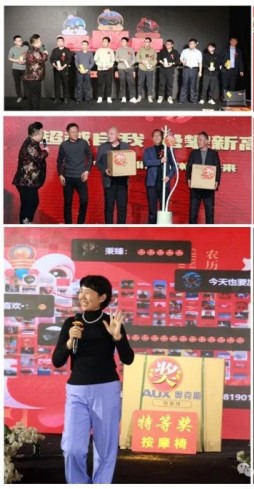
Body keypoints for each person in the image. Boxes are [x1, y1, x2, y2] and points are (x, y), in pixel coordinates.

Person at [52, 275, 134, 484]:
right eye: (81, 291)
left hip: (106, 390)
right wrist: (70, 341)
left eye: (87, 292)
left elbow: (128, 359)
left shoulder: (111, 323)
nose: (82, 296)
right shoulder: (71, 323)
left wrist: (117, 337)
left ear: (102, 297)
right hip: (76, 391)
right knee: (72, 448)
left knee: (105, 450)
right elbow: (57, 361)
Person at [12, 121, 47, 224]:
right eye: (42, 132)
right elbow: (38, 157)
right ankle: (26, 223)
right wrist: (46, 151)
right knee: (31, 203)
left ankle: (25, 223)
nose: (43, 134)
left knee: (28, 204)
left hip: (28, 182)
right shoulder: (30, 144)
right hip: (26, 182)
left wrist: (44, 148)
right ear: (37, 134)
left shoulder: (33, 143)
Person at [56, 122, 93, 224]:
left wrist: (87, 171)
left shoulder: (83, 143)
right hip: (68, 177)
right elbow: (59, 161)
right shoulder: (64, 145)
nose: (75, 134)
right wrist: (60, 174)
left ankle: (80, 223)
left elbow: (90, 157)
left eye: (76, 132)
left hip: (81, 177)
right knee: (68, 202)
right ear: (68, 133)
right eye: (72, 132)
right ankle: (68, 224)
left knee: (84, 201)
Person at [96, 127, 131, 224]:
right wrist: (104, 170)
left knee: (122, 208)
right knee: (109, 208)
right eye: (108, 134)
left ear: (118, 135)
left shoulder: (125, 146)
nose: (109, 136)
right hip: (109, 182)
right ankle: (108, 228)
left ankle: (121, 229)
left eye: (112, 134)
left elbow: (129, 161)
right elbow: (97, 162)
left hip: (122, 182)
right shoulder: (103, 147)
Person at [186, 132, 221, 224]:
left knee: (209, 212)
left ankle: (209, 230)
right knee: (193, 212)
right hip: (195, 187)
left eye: (200, 140)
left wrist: (216, 181)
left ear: (206, 141)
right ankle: (192, 230)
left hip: (208, 187)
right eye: (198, 140)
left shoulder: (214, 154)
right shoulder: (194, 153)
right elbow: (189, 167)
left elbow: (217, 168)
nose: (198, 141)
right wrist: (188, 179)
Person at [143, 129, 177, 224]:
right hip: (152, 184)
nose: (157, 137)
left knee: (164, 208)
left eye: (159, 135)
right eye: (155, 135)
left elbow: (174, 166)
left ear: (162, 137)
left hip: (164, 183)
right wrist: (159, 161)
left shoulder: (167, 150)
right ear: (152, 138)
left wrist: (169, 177)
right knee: (152, 210)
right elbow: (146, 162)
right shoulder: (148, 150)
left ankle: (163, 229)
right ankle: (151, 229)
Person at [23, 34, 49, 110]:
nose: (41, 42)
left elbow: (38, 61)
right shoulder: (34, 51)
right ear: (36, 42)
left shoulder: (32, 50)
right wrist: (46, 54)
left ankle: (32, 111)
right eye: (40, 40)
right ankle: (35, 111)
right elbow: (42, 59)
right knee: (35, 96)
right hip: (34, 77)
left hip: (31, 77)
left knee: (32, 95)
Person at [50, 36, 73, 104]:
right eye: (58, 41)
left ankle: (66, 98)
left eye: (61, 41)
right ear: (57, 42)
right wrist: (55, 66)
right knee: (57, 84)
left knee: (65, 84)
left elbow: (69, 60)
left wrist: (63, 67)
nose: (60, 42)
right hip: (56, 70)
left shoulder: (67, 50)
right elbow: (51, 59)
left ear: (63, 42)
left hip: (64, 70)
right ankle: (57, 98)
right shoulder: (54, 50)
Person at [179, 38, 202, 103]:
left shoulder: (198, 52)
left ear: (195, 44)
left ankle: (193, 99)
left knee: (193, 85)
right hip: (186, 69)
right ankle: (182, 100)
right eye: (189, 44)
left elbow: (200, 62)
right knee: (184, 84)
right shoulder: (185, 51)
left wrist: (200, 71)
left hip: (194, 69)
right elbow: (181, 58)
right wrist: (182, 61)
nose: (190, 45)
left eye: (192, 44)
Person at [157, 39, 180, 104]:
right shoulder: (162, 51)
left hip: (170, 70)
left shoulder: (175, 52)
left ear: (172, 45)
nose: (167, 45)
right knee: (161, 83)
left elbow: (177, 61)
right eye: (166, 44)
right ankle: (160, 97)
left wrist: (171, 63)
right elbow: (158, 58)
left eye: (168, 44)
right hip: (162, 69)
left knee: (170, 84)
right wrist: (163, 63)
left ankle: (169, 97)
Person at [115, 37, 137, 103]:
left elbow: (134, 59)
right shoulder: (118, 49)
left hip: (129, 68)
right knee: (122, 83)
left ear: (127, 42)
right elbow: (116, 59)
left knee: (131, 83)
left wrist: (131, 64)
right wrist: (120, 60)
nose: (122, 42)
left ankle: (132, 97)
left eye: (124, 41)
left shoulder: (131, 49)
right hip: (121, 68)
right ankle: (123, 97)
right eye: (122, 41)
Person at [8, 35, 28, 103]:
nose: (20, 41)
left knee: (26, 83)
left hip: (24, 68)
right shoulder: (12, 49)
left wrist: (26, 61)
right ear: (15, 42)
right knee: (17, 83)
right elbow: (9, 58)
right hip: (15, 69)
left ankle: (27, 96)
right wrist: (17, 61)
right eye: (18, 41)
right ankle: (19, 97)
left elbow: (30, 57)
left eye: (21, 40)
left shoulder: (26, 47)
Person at [94, 37, 115, 103]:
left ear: (108, 43)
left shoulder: (111, 51)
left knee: (108, 83)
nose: (104, 43)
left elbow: (113, 60)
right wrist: (99, 64)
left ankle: (109, 97)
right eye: (103, 41)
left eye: (105, 41)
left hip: (108, 69)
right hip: (100, 69)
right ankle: (100, 97)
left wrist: (110, 66)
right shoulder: (98, 50)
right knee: (100, 83)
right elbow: (95, 59)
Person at [136, 37, 157, 103]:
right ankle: (139, 96)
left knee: (149, 84)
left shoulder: (153, 50)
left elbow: (155, 60)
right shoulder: (140, 50)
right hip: (142, 69)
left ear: (150, 43)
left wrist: (151, 65)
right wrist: (142, 61)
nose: (146, 43)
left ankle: (149, 96)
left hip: (150, 69)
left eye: (147, 42)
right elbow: (137, 59)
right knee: (140, 83)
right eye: (145, 41)